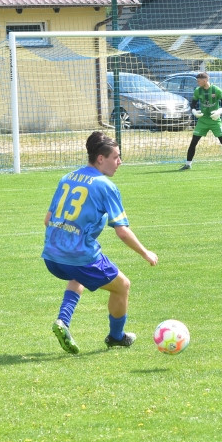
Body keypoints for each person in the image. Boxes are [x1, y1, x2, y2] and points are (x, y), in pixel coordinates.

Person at [42, 131, 159, 354]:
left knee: (78, 276)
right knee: (122, 286)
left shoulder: (67, 178)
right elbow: (122, 232)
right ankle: (116, 337)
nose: (120, 162)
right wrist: (146, 253)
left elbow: (48, 220)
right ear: (100, 159)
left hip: (51, 256)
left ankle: (63, 322)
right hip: (78, 256)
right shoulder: (105, 186)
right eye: (116, 157)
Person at [179, 72, 222, 171]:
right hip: (203, 121)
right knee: (193, 142)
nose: (197, 82)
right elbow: (193, 103)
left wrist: (219, 111)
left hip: (215, 120)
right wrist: (194, 111)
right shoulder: (198, 91)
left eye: (198, 81)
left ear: (205, 80)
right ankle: (188, 164)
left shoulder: (216, 90)